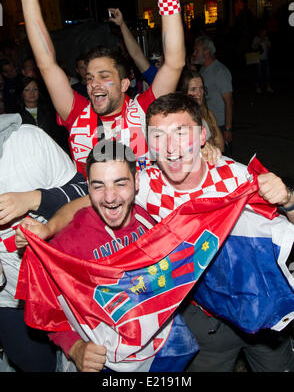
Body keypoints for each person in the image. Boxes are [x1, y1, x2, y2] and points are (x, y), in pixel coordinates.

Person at [24, 93, 294, 372]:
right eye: (158, 136)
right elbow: (85, 202)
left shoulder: (236, 177)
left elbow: (286, 231)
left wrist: (287, 198)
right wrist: (46, 227)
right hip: (205, 320)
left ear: (202, 135)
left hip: (261, 312)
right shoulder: (148, 184)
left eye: (180, 132)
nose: (170, 147)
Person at [6, 0, 185, 177]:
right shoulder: (77, 112)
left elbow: (174, 62)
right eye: (89, 78)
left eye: (103, 76)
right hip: (88, 210)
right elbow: (47, 64)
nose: (93, 84)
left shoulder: (145, 110)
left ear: (124, 84)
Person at [20, 139, 196, 373]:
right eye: (98, 186)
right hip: (105, 361)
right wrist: (75, 348)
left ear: (136, 184)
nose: (109, 197)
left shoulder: (150, 216)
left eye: (120, 183)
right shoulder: (70, 243)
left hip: (162, 350)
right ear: (88, 188)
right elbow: (47, 308)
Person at [0, 113, 87, 372]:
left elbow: (85, 193)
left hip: (66, 286)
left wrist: (34, 199)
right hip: (12, 303)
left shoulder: (26, 141)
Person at [191, 35, 233, 156]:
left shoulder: (220, 71)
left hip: (219, 125)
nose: (194, 53)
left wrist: (228, 129)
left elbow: (229, 102)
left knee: (221, 158)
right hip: (207, 122)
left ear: (206, 51)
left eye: (196, 50)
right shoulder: (203, 70)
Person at [179, 68, 224, 152]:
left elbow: (221, 146)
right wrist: (209, 142)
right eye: (193, 89)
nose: (199, 93)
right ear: (184, 92)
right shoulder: (178, 116)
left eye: (201, 88)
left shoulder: (208, 113)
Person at [251, 26, 273, 94]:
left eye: (265, 32)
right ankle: (258, 87)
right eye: (263, 32)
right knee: (259, 74)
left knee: (267, 74)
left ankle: (268, 87)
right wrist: (260, 41)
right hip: (258, 59)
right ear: (260, 32)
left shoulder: (266, 38)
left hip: (265, 58)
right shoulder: (256, 38)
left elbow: (269, 49)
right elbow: (253, 47)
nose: (264, 34)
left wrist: (268, 45)